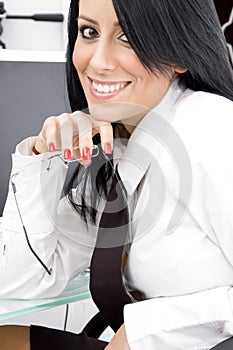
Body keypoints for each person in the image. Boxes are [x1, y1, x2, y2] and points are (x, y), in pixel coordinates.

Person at [1, 0, 233, 349]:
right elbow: (18, 280)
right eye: (89, 32)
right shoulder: (120, 148)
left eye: (127, 37)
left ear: (180, 50)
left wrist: (147, 329)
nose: (98, 61)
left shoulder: (210, 126)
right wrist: (43, 157)